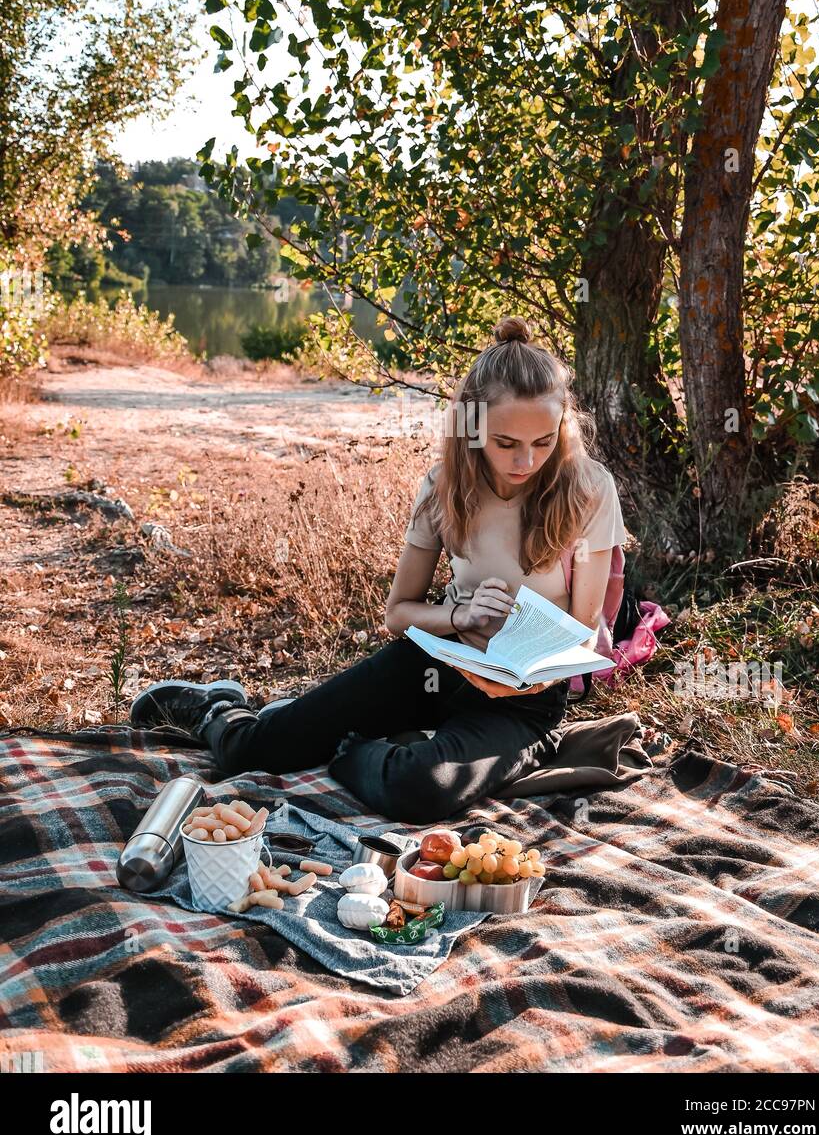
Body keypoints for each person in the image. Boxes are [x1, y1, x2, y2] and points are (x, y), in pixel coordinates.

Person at [130, 315, 628, 823]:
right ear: (472, 426)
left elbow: (584, 632)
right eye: (506, 443)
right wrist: (462, 619)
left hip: (522, 700)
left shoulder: (590, 489)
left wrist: (529, 683)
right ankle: (217, 710)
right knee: (254, 753)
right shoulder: (442, 487)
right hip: (439, 665)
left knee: (418, 789)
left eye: (543, 442)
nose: (526, 460)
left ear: (562, 427)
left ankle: (360, 746)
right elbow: (399, 613)